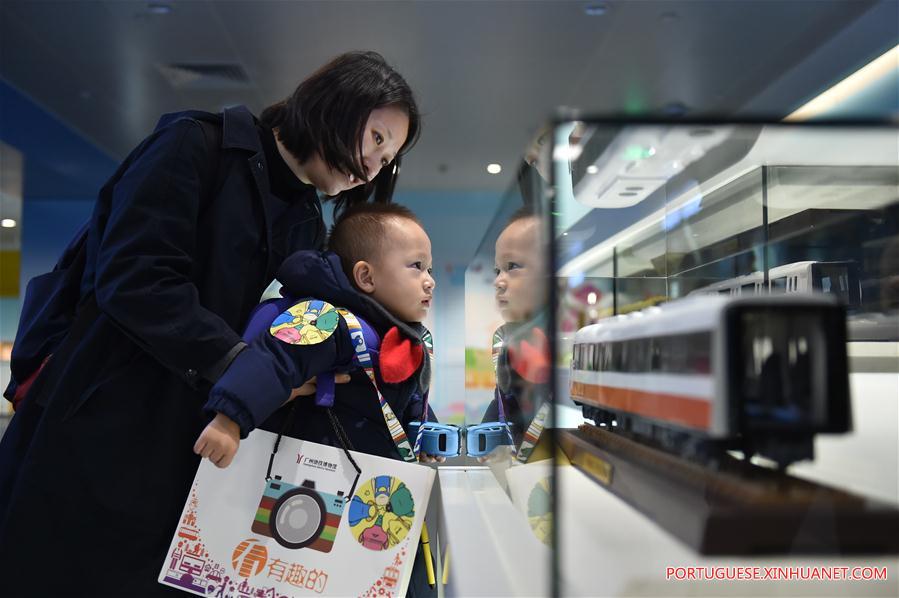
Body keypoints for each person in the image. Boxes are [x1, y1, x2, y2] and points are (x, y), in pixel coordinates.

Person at [0, 50, 420, 596]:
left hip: (194, 443)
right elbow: (136, 279)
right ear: (333, 106)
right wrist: (245, 367)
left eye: (390, 155)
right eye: (377, 137)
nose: (376, 164)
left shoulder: (304, 219)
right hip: (102, 420)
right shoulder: (195, 145)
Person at [193, 202, 443, 469]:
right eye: (416, 266)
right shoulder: (325, 318)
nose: (429, 280)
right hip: (308, 472)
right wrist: (228, 420)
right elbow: (272, 359)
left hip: (363, 477)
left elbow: (407, 398)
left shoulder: (397, 337)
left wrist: (425, 431)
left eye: (430, 269)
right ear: (366, 276)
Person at [480, 208, 551, 453]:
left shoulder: (563, 337)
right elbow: (504, 399)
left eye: (513, 266)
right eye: (497, 270)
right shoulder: (510, 339)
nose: (498, 281)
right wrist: (487, 440)